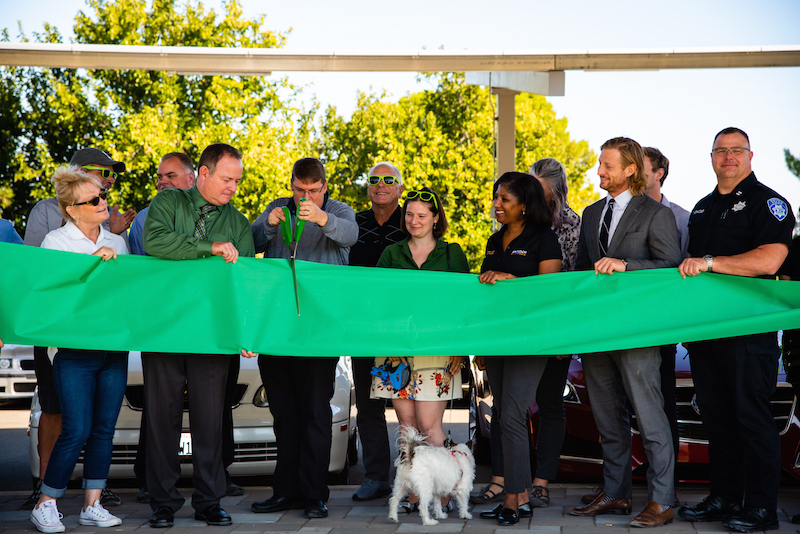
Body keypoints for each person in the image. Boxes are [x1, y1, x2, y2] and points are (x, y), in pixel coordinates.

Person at [677, 128, 794, 533]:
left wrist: (710, 261)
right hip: (707, 332)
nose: (729, 157)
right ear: (711, 157)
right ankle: (724, 497)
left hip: (748, 333)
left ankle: (762, 509)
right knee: (717, 418)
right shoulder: (701, 208)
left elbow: (770, 259)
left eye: (736, 150)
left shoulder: (770, 203)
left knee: (752, 418)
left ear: (750, 156)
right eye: (721, 151)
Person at [142, 142, 256, 528]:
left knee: (211, 421)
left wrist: (246, 330)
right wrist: (209, 248)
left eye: (237, 181)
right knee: (162, 418)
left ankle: (210, 501)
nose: (233, 188)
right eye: (227, 179)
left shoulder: (239, 223)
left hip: (213, 334)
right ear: (203, 174)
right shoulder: (167, 203)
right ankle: (162, 502)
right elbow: (155, 242)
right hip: (165, 328)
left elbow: (243, 284)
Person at [568, 137, 680, 528]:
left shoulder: (656, 214)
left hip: (637, 331)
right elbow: (582, 273)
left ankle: (662, 500)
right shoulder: (590, 212)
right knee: (607, 420)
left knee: (651, 419)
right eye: (601, 164)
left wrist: (626, 265)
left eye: (607, 165)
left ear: (630, 170)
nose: (599, 171)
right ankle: (615, 494)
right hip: (597, 333)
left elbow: (670, 267)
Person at [22, 147, 130, 511]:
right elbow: (52, 296)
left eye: (102, 195)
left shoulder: (118, 242)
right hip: (72, 352)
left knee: (103, 431)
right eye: (94, 199)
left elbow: (125, 296)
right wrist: (90, 265)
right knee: (76, 430)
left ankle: (92, 505)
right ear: (72, 209)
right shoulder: (55, 242)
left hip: (112, 348)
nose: (103, 201)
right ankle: (47, 504)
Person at [250, 157, 358, 519]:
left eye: (313, 190)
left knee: (314, 412)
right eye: (299, 190)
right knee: (284, 415)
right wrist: (268, 224)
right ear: (291, 185)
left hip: (318, 331)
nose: (305, 196)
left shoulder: (340, 211)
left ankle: (315, 494)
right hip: (279, 330)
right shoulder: (278, 207)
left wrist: (322, 218)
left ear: (325, 187)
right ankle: (286, 491)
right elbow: (246, 242)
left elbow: (350, 236)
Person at [370, 186, 470, 513]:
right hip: (395, 352)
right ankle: (415, 492)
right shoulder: (390, 253)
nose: (414, 220)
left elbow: (463, 305)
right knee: (406, 429)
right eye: (410, 214)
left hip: (437, 349)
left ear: (436, 218)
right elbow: (381, 302)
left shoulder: (452, 253)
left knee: (429, 427)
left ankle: (443, 492)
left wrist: (459, 347)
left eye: (422, 215)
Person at [478, 172, 562, 526]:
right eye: (496, 198)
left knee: (512, 414)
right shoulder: (493, 241)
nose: (497, 205)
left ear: (525, 206)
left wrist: (514, 281)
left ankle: (515, 498)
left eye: (505, 200)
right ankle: (519, 497)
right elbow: (484, 297)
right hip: (497, 339)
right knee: (502, 413)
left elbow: (549, 293)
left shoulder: (546, 240)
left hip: (531, 339)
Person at [348, 161, 405, 502]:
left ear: (400, 187)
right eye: (374, 180)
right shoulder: (353, 223)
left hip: (403, 330)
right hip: (364, 329)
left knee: (407, 405)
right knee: (369, 407)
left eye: (388, 180)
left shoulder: (413, 219)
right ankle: (376, 477)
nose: (380, 185)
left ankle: (413, 479)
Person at [644, 146, 688, 507]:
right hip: (624, 328)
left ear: (660, 173)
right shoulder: (614, 213)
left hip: (663, 329)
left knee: (662, 405)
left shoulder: (683, 219)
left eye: (641, 168)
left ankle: (666, 488)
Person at [128, 152, 196, 256]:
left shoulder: (213, 214)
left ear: (190, 179)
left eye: (171, 176)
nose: (162, 181)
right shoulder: (143, 219)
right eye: (160, 177)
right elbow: (139, 266)